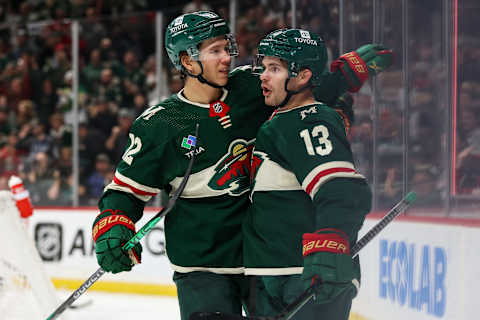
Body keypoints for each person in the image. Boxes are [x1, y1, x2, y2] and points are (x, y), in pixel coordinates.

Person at [90, 11, 392, 320]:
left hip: (262, 261)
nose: (226, 58)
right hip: (204, 265)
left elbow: (299, 89)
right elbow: (124, 192)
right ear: (187, 61)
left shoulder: (249, 86)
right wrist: (112, 224)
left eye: (226, 47)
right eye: (214, 51)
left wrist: (343, 76)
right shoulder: (163, 123)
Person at [243, 29, 375, 319]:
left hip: (307, 278)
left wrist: (331, 241)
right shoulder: (282, 119)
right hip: (273, 276)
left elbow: (340, 189)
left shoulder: (308, 120)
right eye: (264, 67)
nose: (263, 76)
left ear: (302, 77)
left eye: (274, 68)